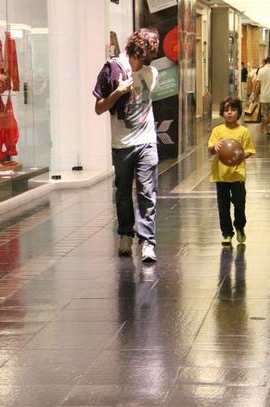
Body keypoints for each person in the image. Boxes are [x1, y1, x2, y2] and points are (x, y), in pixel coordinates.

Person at [93, 28, 160, 262]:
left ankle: (147, 242)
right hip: (121, 143)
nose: (147, 63)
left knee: (147, 192)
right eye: (144, 58)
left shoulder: (152, 73)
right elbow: (99, 108)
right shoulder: (113, 69)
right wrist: (118, 92)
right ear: (136, 51)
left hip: (147, 141)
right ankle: (125, 234)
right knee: (122, 193)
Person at [208, 96, 256, 246]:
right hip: (220, 175)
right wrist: (214, 147)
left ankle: (240, 226)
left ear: (238, 112)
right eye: (226, 110)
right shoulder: (217, 131)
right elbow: (211, 149)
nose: (229, 113)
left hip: (237, 174)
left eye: (233, 110)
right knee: (223, 206)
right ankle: (226, 233)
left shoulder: (243, 132)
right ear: (222, 112)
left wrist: (238, 156)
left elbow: (249, 150)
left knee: (239, 202)